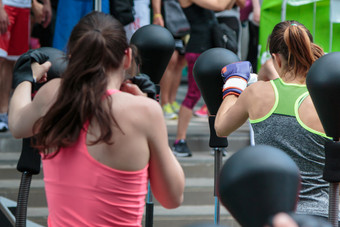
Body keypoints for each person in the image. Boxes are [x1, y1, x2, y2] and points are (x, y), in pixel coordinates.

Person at [8, 12, 185, 226]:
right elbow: (172, 198)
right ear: (127, 57)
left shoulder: (52, 95)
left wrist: (26, 78)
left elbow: (17, 125)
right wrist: (151, 111)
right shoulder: (144, 111)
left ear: (71, 58)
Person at [215, 20, 338, 222]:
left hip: (274, 216)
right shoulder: (325, 99)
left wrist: (234, 85)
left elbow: (220, 128)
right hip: (325, 213)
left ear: (275, 59)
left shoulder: (256, 93)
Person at [172, 0, 242, 157]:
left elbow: (230, 5)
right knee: (192, 95)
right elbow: (219, 6)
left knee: (216, 96)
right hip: (198, 49)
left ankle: (218, 139)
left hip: (210, 49)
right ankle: (179, 141)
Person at [0, 0, 51, 132]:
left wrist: (41, 3)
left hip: (23, 7)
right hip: (6, 5)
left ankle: (3, 114)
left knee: (13, 62)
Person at [152, 0, 187, 120]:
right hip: (168, 17)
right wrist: (157, 14)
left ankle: (172, 101)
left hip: (185, 18)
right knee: (171, 59)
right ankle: (165, 102)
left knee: (181, 61)